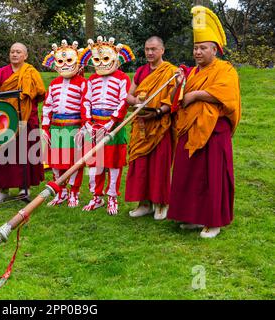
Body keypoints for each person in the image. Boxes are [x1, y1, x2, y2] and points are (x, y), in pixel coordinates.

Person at [167, 6, 241, 238]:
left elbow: (226, 95)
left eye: (203, 48)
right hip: (190, 128)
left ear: (215, 49)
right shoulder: (191, 73)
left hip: (214, 130)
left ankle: (214, 222)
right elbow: (176, 100)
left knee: (212, 176)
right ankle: (192, 217)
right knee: (189, 174)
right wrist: (180, 85)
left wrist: (196, 95)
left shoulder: (225, 69)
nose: (198, 52)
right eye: (195, 48)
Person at [78, 36, 135, 215]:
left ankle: (112, 197)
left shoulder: (123, 78)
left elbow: (123, 101)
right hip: (94, 126)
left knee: (114, 163)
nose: (102, 63)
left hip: (114, 126)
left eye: (106, 58)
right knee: (95, 163)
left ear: (116, 59)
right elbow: (85, 100)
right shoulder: (91, 79)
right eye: (97, 59)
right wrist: (87, 123)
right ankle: (96, 197)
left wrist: (111, 122)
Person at [125, 36, 178, 220]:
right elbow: (128, 97)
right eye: (147, 49)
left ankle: (162, 203)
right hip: (141, 125)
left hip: (160, 124)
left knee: (159, 165)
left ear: (162, 50)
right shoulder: (141, 71)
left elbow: (172, 100)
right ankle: (144, 203)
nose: (149, 52)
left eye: (154, 49)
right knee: (140, 164)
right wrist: (137, 101)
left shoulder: (170, 72)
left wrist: (157, 111)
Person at [0, 42, 46, 203]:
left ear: (25, 56)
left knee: (25, 152)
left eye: (18, 52)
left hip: (27, 117)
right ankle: (2, 190)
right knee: (5, 153)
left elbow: (40, 93)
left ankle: (24, 187)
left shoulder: (31, 72)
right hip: (7, 118)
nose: (14, 54)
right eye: (12, 51)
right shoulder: (2, 72)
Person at [41, 40, 87, 207]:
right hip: (56, 128)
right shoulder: (54, 84)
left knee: (74, 162)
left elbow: (85, 106)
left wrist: (84, 127)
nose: (65, 65)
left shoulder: (82, 83)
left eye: (69, 61)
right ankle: (61, 192)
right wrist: (45, 128)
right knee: (55, 161)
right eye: (61, 61)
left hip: (75, 128)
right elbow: (47, 107)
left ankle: (74, 193)